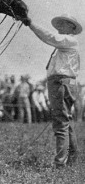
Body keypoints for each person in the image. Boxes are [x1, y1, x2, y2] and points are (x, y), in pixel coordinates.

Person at [23, 14, 82, 168]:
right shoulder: (66, 44)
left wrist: (31, 23)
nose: (60, 27)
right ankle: (73, 158)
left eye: (63, 24)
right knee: (65, 122)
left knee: (61, 123)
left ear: (72, 28)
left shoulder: (69, 41)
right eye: (59, 24)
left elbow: (49, 37)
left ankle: (59, 164)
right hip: (63, 83)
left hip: (61, 83)